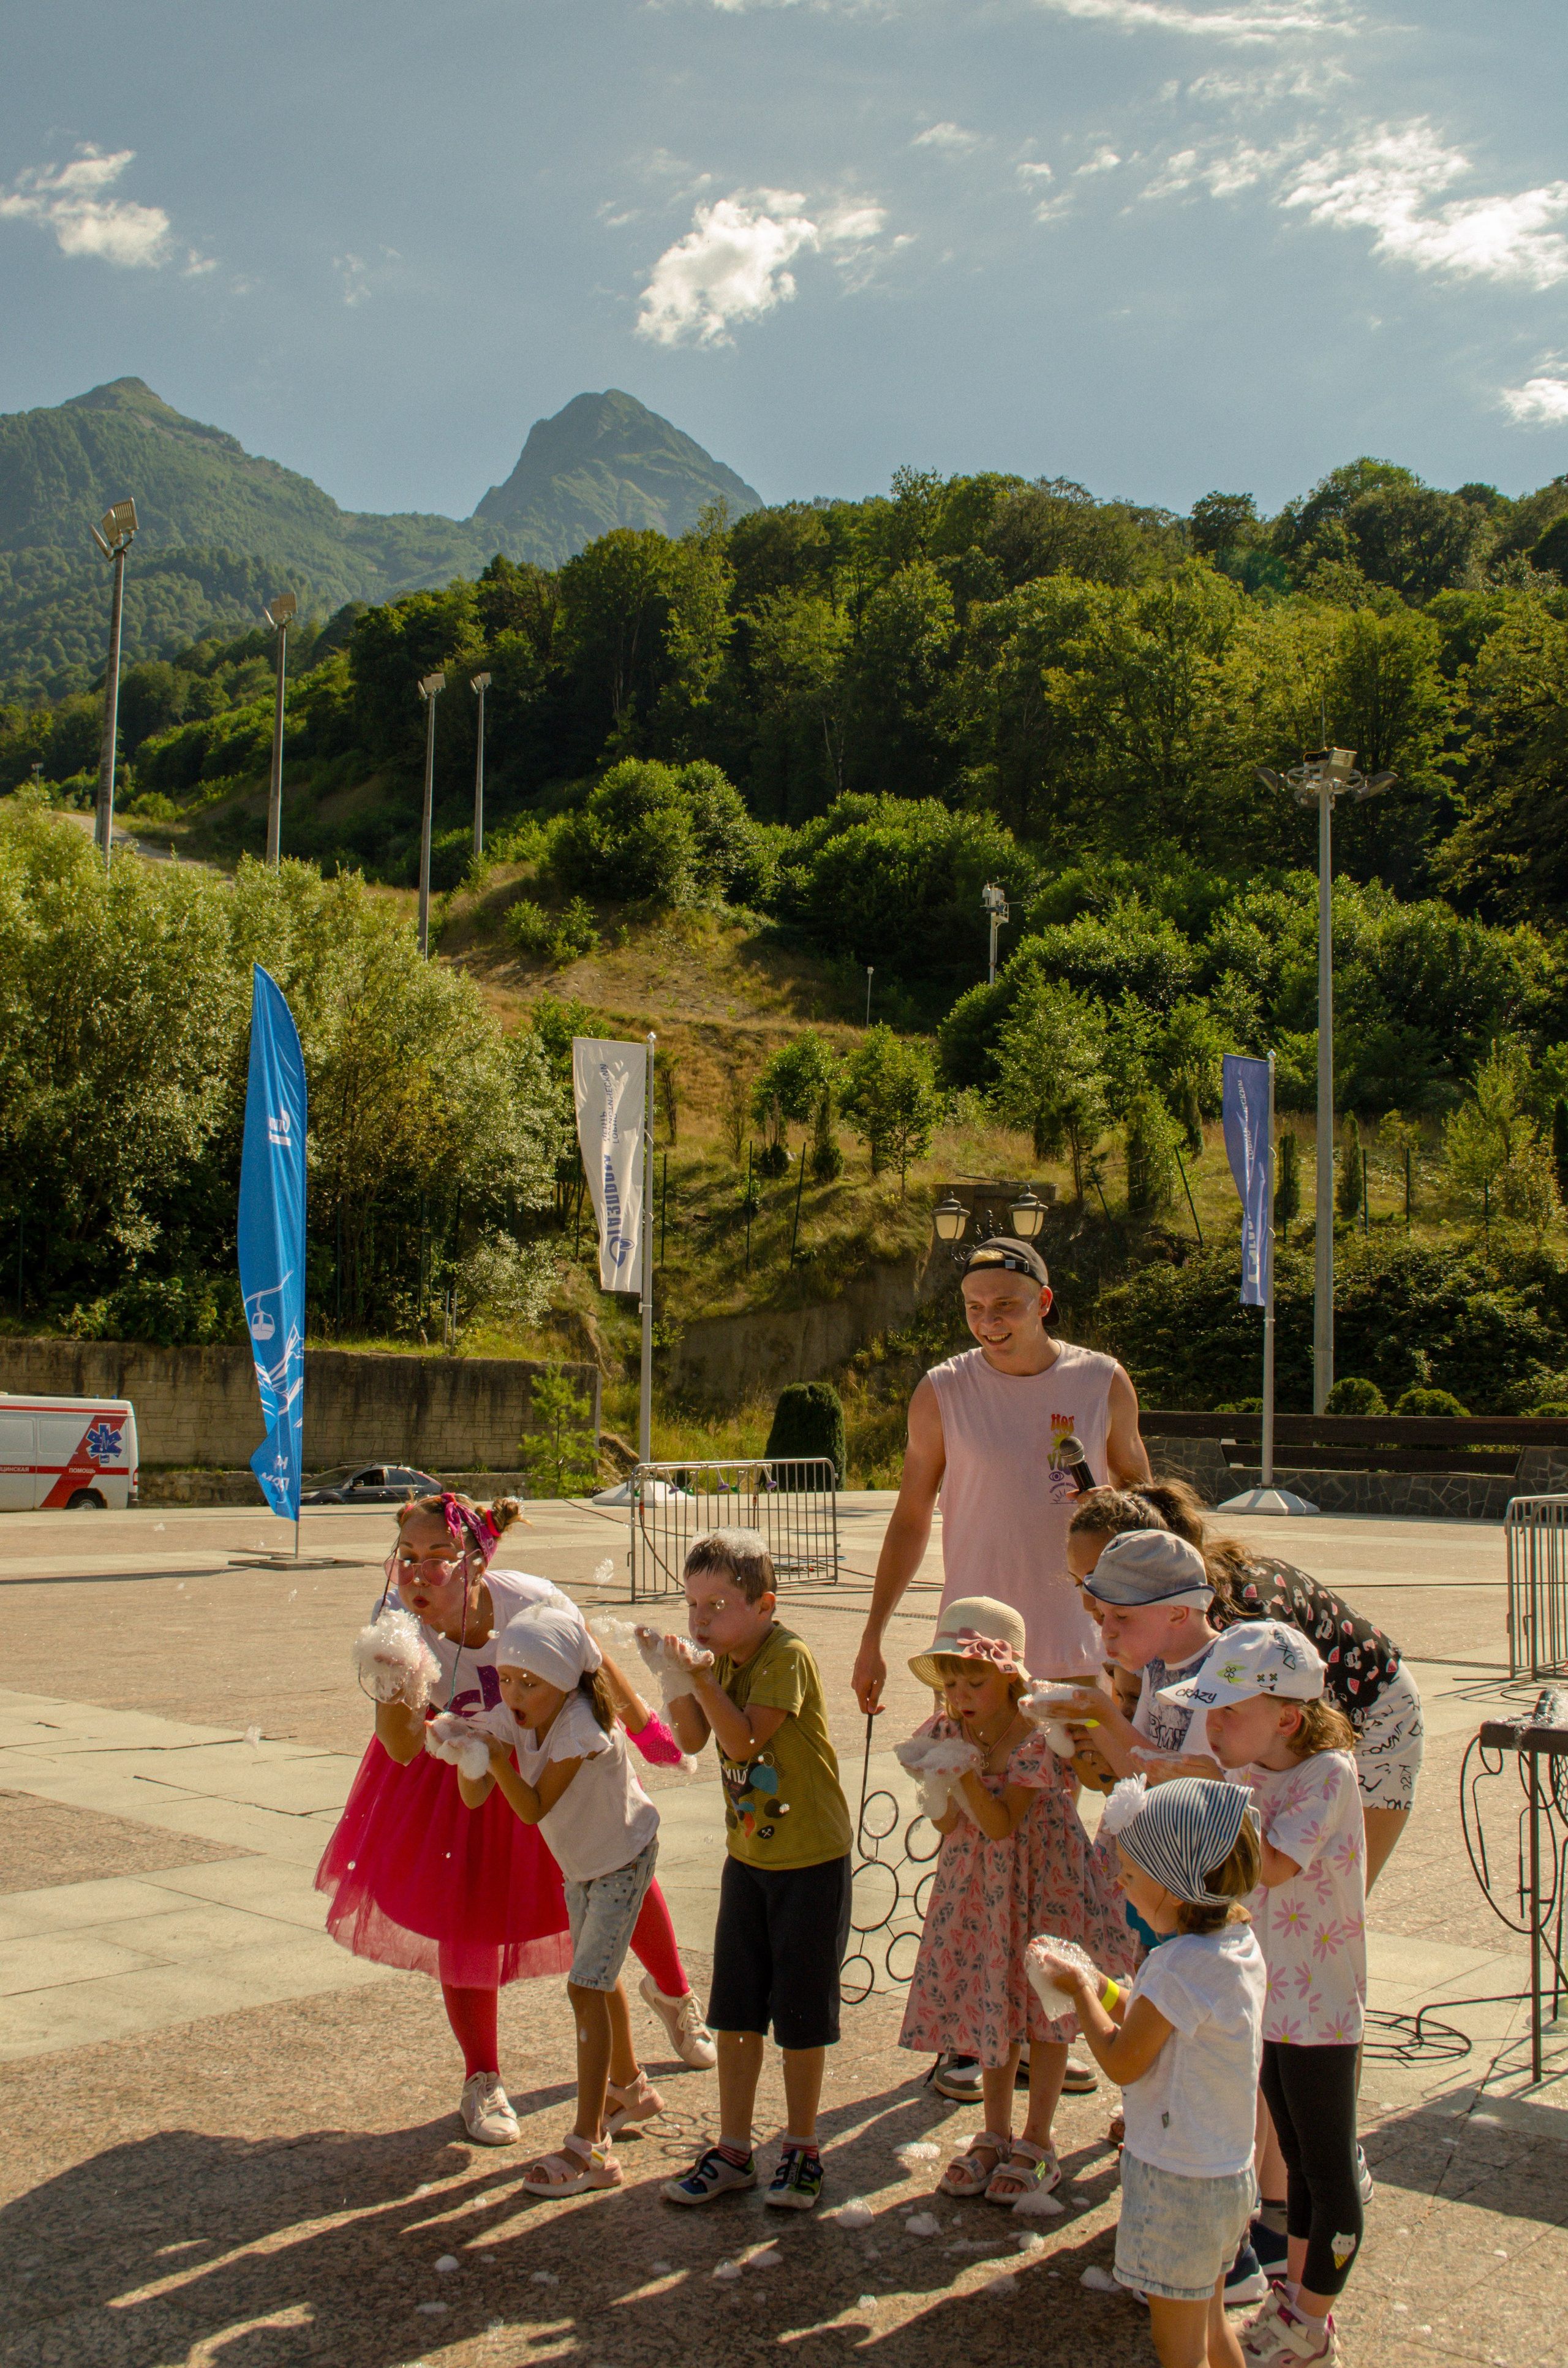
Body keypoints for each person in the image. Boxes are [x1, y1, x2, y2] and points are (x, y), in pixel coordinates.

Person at [850, 1234, 1150, 2102]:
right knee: (975, 1851)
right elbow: (912, 1512)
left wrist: (1152, 1639)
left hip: (1077, 1655)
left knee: (1065, 1857)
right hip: (978, 1665)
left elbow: (1142, 1502)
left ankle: (1056, 2024)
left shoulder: (1098, 1382)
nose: (989, 1321)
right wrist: (873, 1633)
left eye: (1006, 1305)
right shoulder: (946, 1389)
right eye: (976, 1307)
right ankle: (977, 2033)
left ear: (1045, 1303)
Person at [315, 1491, 709, 2150]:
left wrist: (647, 1731)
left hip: (551, 1755)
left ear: (473, 1561)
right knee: (462, 1913)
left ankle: (673, 1995)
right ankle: (482, 2075)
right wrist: (394, 1679)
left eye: (437, 1557)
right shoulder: (396, 1622)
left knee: (617, 1871)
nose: (417, 1573)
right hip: (460, 1771)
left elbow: (594, 1662)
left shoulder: (527, 1599)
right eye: (405, 1556)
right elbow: (404, 1744)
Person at [1161, 1623, 1367, 2367]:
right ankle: (1299, 2303)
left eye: (1227, 1713)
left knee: (1326, 2165)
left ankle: (1313, 2324)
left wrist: (1211, 1794)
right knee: (1300, 2165)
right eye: (1209, 1711)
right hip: (1270, 1995)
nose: (1213, 1728)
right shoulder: (1248, 1773)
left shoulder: (1328, 1774)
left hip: (1321, 2006)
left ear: (1286, 1715)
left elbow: (1274, 1863)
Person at [895, 1598, 1133, 2204]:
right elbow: (950, 1823)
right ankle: (993, 2132)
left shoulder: (1035, 1732)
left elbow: (1003, 1823)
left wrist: (964, 1772)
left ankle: (1038, 2139)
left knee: (1047, 2011)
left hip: (1042, 1879)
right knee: (993, 2003)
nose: (962, 1692)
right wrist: (938, 1781)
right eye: (952, 1681)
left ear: (1009, 1675)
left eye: (976, 1679)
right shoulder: (949, 1729)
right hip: (978, 1887)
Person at [1036, 1778, 1265, 2368]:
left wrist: (1082, 1992)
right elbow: (1154, 2015)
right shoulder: (1236, 1946)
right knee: (1212, 2321)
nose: (1120, 1885)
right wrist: (1107, 1985)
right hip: (1227, 2174)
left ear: (1176, 1884)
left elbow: (1121, 2060)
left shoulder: (1176, 1965)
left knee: (1178, 2344)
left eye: (1132, 1876)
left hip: (1177, 2181)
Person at [657, 1528, 854, 2213]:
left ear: (764, 1604)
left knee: (800, 2012)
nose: (700, 1619)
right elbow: (690, 1738)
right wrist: (674, 1679)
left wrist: (702, 1677)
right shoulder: (721, 1661)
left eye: (717, 1604)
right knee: (736, 2007)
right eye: (692, 1604)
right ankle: (734, 2147)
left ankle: (801, 2145)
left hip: (809, 1859)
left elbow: (741, 1737)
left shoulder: (783, 1656)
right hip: (750, 1856)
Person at [456, 1605, 662, 2195]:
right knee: (600, 1978)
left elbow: (531, 1807)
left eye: (531, 1682)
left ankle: (591, 2147)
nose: (515, 1692)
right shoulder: (518, 1713)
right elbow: (474, 1798)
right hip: (583, 1863)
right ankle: (631, 2090)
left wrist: (494, 1757)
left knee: (585, 1985)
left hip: (622, 1857)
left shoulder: (579, 1729)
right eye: (509, 1678)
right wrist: (466, 1748)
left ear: (566, 1681)